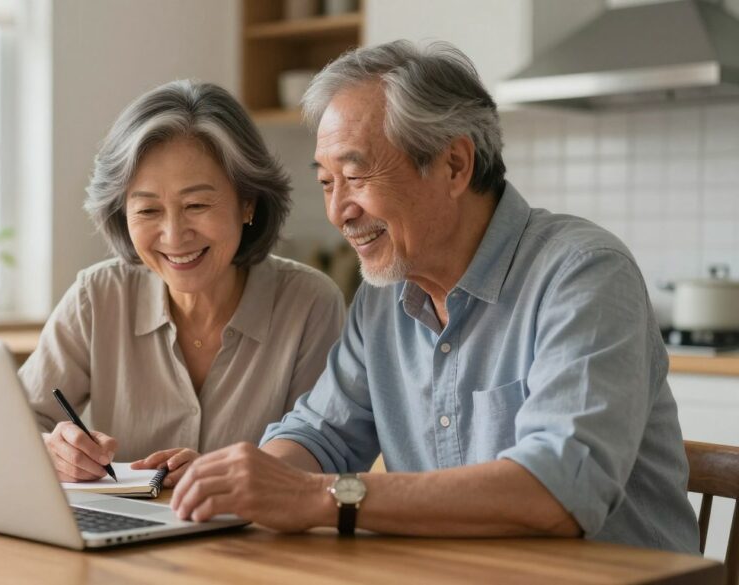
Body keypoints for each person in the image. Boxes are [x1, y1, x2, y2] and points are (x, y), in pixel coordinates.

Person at [170, 41, 700, 553]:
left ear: (453, 166)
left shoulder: (582, 273)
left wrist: (318, 497)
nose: (338, 212)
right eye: (327, 182)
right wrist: (242, 481)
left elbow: (558, 491)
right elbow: (321, 435)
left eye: (354, 176)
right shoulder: (383, 299)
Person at [18, 80, 346, 487]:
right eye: (148, 210)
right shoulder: (97, 296)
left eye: (196, 205)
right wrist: (52, 448)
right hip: (117, 541)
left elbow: (323, 452)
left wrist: (228, 477)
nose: (173, 236)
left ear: (248, 202)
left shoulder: (309, 303)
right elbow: (13, 422)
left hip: (252, 543)